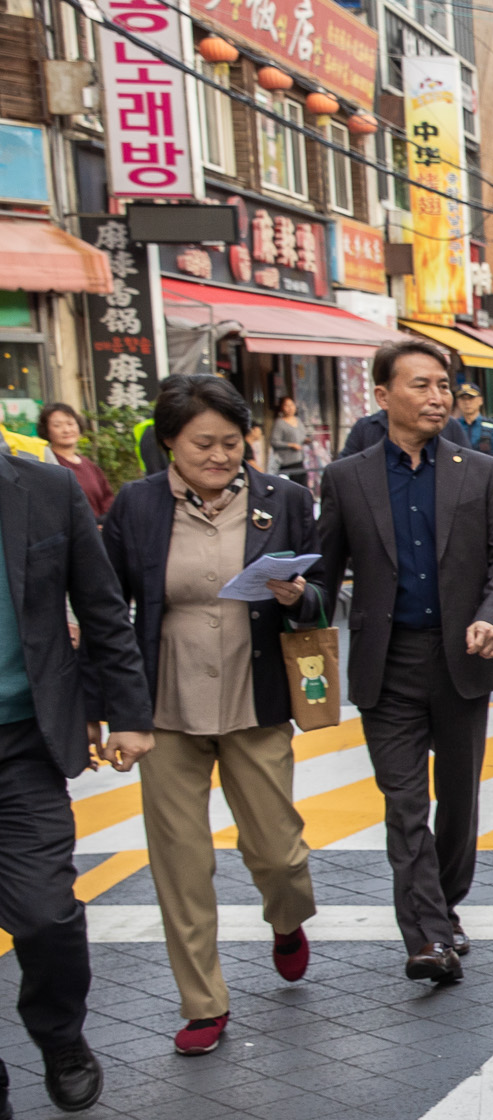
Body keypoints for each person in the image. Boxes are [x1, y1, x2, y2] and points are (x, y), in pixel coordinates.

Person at [100, 376, 321, 1056]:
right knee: (181, 863)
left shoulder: (282, 499)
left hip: (254, 698)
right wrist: (111, 711)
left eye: (232, 441)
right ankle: (203, 1002)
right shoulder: (135, 506)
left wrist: (297, 595)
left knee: (279, 854)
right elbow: (108, 609)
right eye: (203, 444)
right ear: (168, 440)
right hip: (164, 706)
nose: (221, 455)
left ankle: (288, 920)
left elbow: (317, 605)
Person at [312, 338, 493, 985]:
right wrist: (298, 599)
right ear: (382, 396)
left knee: (457, 803)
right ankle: (429, 935)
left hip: (462, 659)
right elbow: (323, 574)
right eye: (421, 385)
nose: (438, 397)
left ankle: (447, 902)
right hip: (387, 661)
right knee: (404, 805)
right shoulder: (346, 479)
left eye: (443, 385)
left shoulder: (481, 469)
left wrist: (492, 616)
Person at [0, 436, 152, 1120]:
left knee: (46, 912)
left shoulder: (47, 489)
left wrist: (124, 712)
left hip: (24, 742)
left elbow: (101, 610)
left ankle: (59, 1034)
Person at [38, 402, 113, 520]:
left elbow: (107, 499)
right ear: (46, 430)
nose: (66, 430)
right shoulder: (47, 465)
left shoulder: (89, 465)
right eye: (57, 425)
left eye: (70, 423)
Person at [452, 383, 493, 476]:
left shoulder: (492, 427)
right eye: (463, 399)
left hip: (486, 477)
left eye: (471, 398)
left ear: (480, 400)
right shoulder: (452, 426)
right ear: (457, 402)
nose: (467, 402)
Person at [268, 394, 306, 479]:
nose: (290, 408)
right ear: (282, 408)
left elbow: (302, 437)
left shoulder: (298, 420)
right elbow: (274, 442)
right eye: (286, 405)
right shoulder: (279, 423)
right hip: (287, 463)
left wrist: (306, 440)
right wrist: (290, 445)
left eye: (292, 405)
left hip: (300, 461)